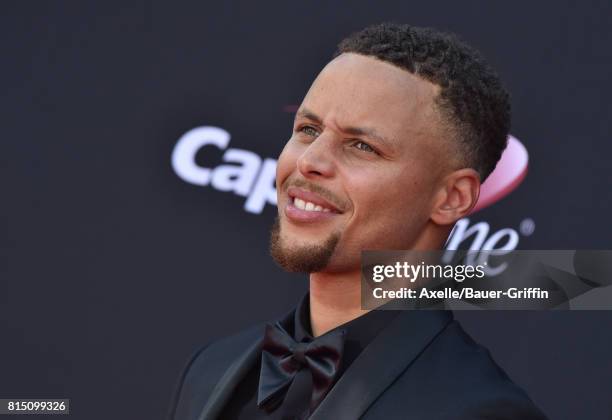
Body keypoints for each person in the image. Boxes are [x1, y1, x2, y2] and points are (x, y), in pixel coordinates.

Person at [168, 23, 548, 420]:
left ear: (451, 198)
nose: (309, 161)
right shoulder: (210, 370)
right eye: (308, 129)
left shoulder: (481, 411)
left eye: (361, 146)